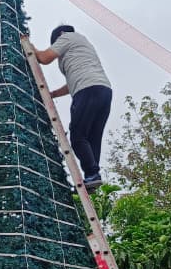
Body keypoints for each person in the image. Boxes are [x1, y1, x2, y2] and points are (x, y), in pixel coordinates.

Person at [32, 25, 113, 190]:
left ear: (60, 35)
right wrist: (53, 94)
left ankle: (92, 173)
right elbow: (72, 83)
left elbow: (44, 58)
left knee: (77, 136)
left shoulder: (66, 37)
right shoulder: (82, 46)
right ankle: (92, 176)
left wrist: (30, 46)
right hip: (103, 90)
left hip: (87, 90)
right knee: (92, 138)